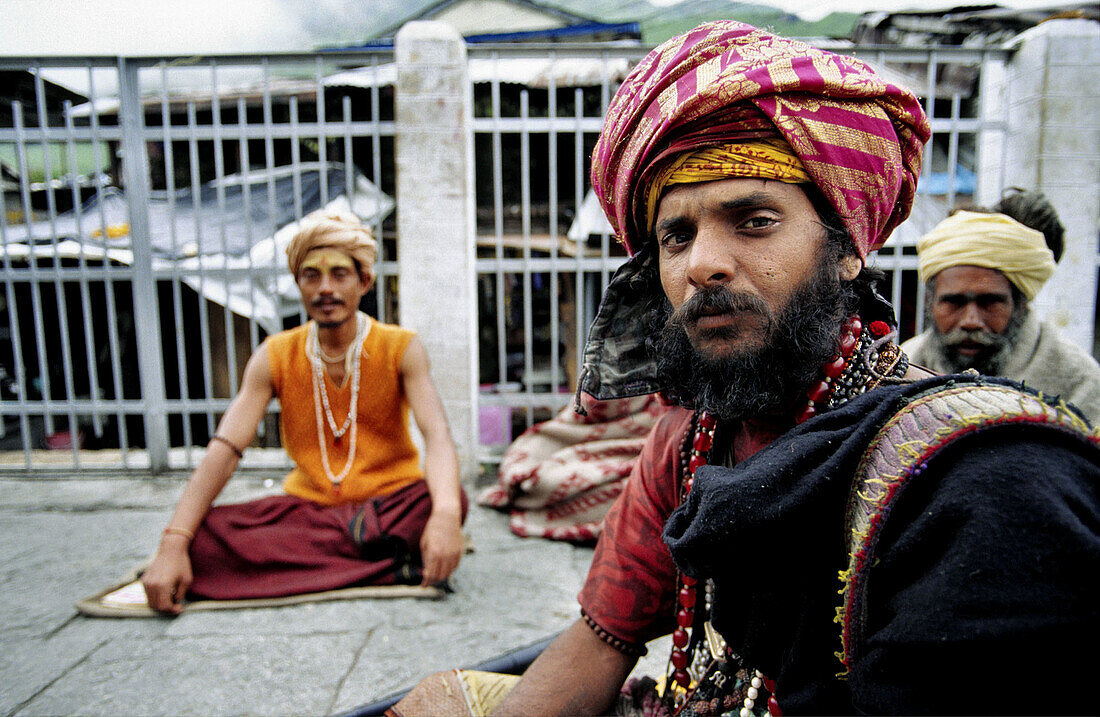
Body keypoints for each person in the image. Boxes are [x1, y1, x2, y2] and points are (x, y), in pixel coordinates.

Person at [391, 21, 1099, 716]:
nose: (702, 264)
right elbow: (601, 639)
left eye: (753, 220)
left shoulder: (970, 482)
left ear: (847, 249)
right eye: (677, 236)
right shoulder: (688, 439)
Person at [141, 211, 466, 614]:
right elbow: (225, 449)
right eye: (311, 275)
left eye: (339, 274)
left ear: (364, 281)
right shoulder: (274, 354)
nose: (325, 288)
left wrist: (447, 516)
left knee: (440, 504)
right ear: (298, 284)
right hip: (309, 514)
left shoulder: (400, 347)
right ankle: (388, 564)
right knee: (204, 536)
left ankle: (307, 568)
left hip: (388, 504)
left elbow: (437, 437)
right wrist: (174, 541)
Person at [900, 201, 1100, 422]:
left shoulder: (1078, 382)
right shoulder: (903, 367)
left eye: (989, 302)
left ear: (1020, 305)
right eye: (954, 302)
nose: (971, 321)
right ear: (930, 303)